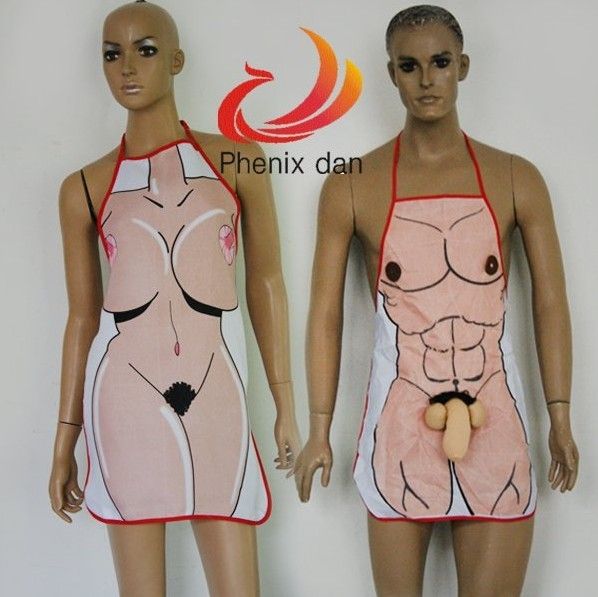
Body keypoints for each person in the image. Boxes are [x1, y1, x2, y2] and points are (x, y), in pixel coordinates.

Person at [294, 5, 579, 595]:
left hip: (495, 423)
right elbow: (325, 317)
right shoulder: (352, 184)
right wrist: (319, 427)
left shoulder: (516, 178)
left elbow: (550, 304)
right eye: (409, 66)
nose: (426, 80)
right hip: (398, 425)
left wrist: (560, 414)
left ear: (463, 67)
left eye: (441, 62)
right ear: (391, 74)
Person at [48, 1, 300, 595]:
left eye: (146, 50)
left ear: (177, 60)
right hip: (122, 401)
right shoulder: (83, 187)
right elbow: (82, 318)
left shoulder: (238, 160)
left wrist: (286, 402)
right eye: (112, 54)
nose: (127, 67)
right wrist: (65, 437)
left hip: (217, 395)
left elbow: (266, 282)